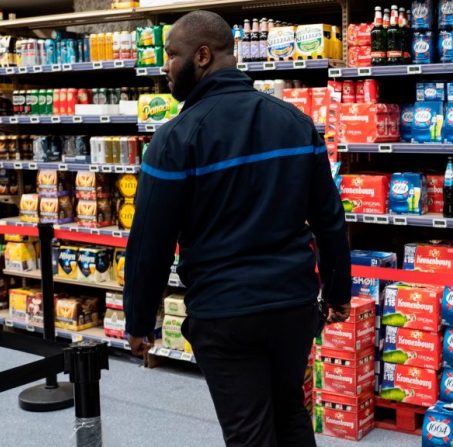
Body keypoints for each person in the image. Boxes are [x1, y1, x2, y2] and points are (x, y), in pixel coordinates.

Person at [122, 10, 352, 447]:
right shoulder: (295, 124)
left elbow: (150, 243)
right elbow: (329, 219)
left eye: (172, 55)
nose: (165, 66)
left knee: (249, 433)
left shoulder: (173, 140)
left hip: (225, 314)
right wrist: (338, 292)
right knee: (290, 414)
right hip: (292, 306)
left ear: (203, 56)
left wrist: (139, 321)